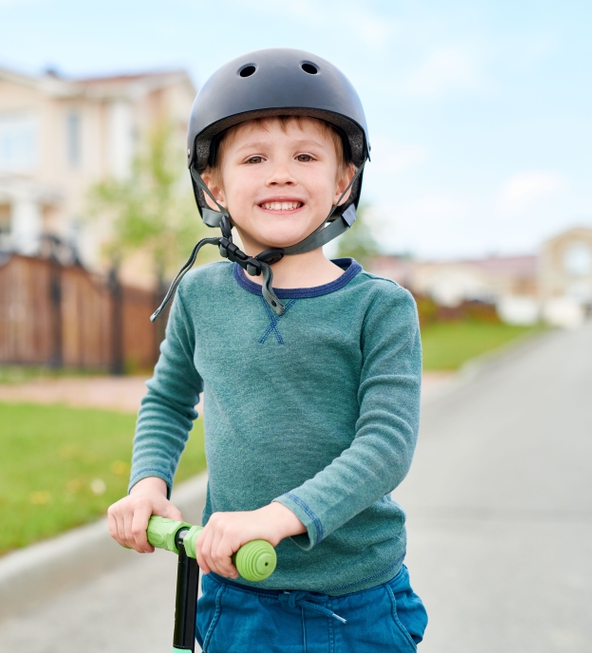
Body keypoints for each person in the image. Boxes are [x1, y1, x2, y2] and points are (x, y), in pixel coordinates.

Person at [107, 48, 428, 652]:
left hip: (353, 598)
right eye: (255, 158)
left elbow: (385, 445)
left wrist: (275, 518)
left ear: (342, 182)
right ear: (215, 185)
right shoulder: (201, 296)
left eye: (305, 157)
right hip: (237, 591)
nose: (281, 173)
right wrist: (148, 483)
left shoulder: (380, 308)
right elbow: (170, 398)